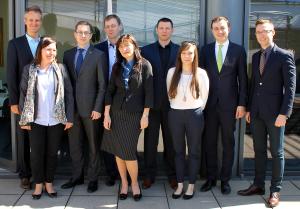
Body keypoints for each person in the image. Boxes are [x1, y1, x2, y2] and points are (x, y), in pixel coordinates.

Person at [238, 19, 296, 208]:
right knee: (259, 150)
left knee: (277, 152)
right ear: (256, 35)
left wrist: (285, 113)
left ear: (273, 33)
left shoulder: (284, 56)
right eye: (259, 32)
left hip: (275, 114)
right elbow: (254, 84)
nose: (262, 35)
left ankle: (275, 190)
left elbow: (290, 88)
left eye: (266, 31)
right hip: (256, 113)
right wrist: (248, 108)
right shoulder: (255, 57)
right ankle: (258, 185)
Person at [19, 37, 74, 199]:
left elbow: (69, 93)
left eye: (54, 50)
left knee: (51, 154)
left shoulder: (61, 69)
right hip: (36, 120)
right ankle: (38, 185)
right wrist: (25, 119)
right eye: (48, 49)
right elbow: (23, 95)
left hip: (56, 120)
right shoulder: (29, 69)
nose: (52, 53)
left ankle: (49, 183)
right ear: (40, 51)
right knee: (36, 154)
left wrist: (69, 117)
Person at [101, 34, 153, 201]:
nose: (124, 48)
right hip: (116, 113)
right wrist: (106, 114)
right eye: (121, 46)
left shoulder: (145, 65)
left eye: (127, 45)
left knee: (128, 151)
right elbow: (110, 91)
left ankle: (134, 183)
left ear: (134, 46)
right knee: (118, 150)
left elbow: (149, 93)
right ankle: (124, 183)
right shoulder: (117, 66)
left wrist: (145, 115)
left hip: (134, 115)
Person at [199, 16, 248, 194]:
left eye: (222, 28)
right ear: (212, 30)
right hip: (209, 106)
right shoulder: (205, 50)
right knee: (209, 142)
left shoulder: (238, 50)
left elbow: (243, 79)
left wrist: (242, 104)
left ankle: (225, 180)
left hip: (230, 106)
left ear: (229, 29)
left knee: (228, 142)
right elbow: (200, 79)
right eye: (216, 28)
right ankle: (211, 178)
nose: (219, 31)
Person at [61, 21, 107, 193]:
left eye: (86, 32)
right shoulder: (67, 54)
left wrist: (97, 108)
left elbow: (102, 85)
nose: (82, 35)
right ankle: (77, 176)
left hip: (91, 110)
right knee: (75, 145)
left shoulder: (98, 55)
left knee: (94, 146)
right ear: (74, 34)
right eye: (79, 32)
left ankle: (92, 178)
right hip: (72, 110)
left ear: (90, 35)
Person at [6, 5, 43, 190]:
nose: (34, 23)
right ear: (25, 21)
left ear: (41, 22)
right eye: (31, 20)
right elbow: (11, 75)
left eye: (37, 20)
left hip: (44, 101)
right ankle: (25, 174)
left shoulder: (47, 43)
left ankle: (40, 173)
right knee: (24, 138)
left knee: (40, 137)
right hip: (22, 99)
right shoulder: (15, 44)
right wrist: (13, 102)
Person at [167, 41, 209, 199]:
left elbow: (204, 97)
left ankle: (191, 185)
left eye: (190, 53)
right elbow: (169, 93)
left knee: (194, 152)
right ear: (180, 55)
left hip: (194, 115)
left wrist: (194, 108)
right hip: (175, 114)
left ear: (195, 55)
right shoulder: (172, 73)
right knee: (178, 152)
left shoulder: (201, 73)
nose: (187, 56)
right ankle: (179, 185)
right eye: (184, 53)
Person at [141, 17, 179, 189]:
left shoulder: (180, 50)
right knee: (150, 142)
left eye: (167, 28)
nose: (164, 31)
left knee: (171, 142)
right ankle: (149, 175)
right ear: (156, 30)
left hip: (173, 106)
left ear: (172, 30)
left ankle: (173, 175)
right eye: (161, 28)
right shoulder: (146, 51)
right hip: (152, 105)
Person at [94, 14, 123, 186]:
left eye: (113, 25)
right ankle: (111, 173)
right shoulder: (97, 49)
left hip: (123, 99)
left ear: (120, 27)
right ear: (105, 29)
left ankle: (124, 171)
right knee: (106, 137)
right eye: (108, 26)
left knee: (123, 136)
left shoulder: (128, 46)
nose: (111, 28)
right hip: (104, 97)